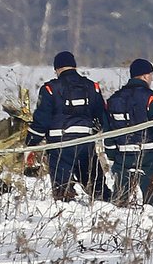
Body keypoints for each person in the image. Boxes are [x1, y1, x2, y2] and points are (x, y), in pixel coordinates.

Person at [27, 51, 112, 202]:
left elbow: (42, 119)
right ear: (74, 66)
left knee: (62, 188)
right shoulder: (92, 87)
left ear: (57, 69)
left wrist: (31, 141)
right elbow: (102, 116)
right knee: (94, 181)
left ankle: (65, 208)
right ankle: (107, 203)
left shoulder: (49, 89)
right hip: (86, 142)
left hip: (60, 143)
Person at [104, 58, 153, 207]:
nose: (151, 78)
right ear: (144, 76)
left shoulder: (113, 100)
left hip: (123, 156)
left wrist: (111, 153)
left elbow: (108, 129)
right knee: (152, 201)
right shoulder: (150, 98)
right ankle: (152, 224)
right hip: (148, 156)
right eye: (150, 75)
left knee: (119, 200)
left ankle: (116, 223)